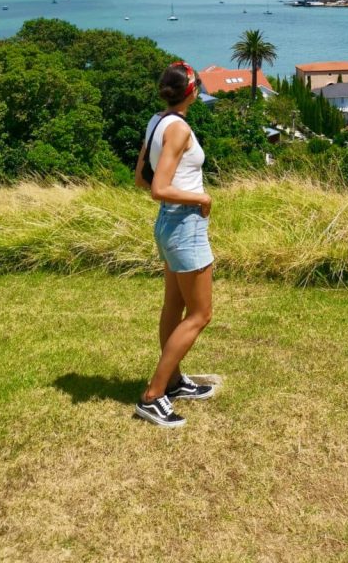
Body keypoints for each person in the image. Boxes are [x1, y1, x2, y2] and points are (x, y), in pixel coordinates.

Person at [133, 61, 215, 428]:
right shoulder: (179, 129)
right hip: (184, 225)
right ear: (191, 91)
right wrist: (200, 200)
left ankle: (175, 381)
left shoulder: (157, 122)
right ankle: (153, 395)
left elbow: (140, 177)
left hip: (168, 224)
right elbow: (157, 188)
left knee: (174, 305)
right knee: (200, 314)